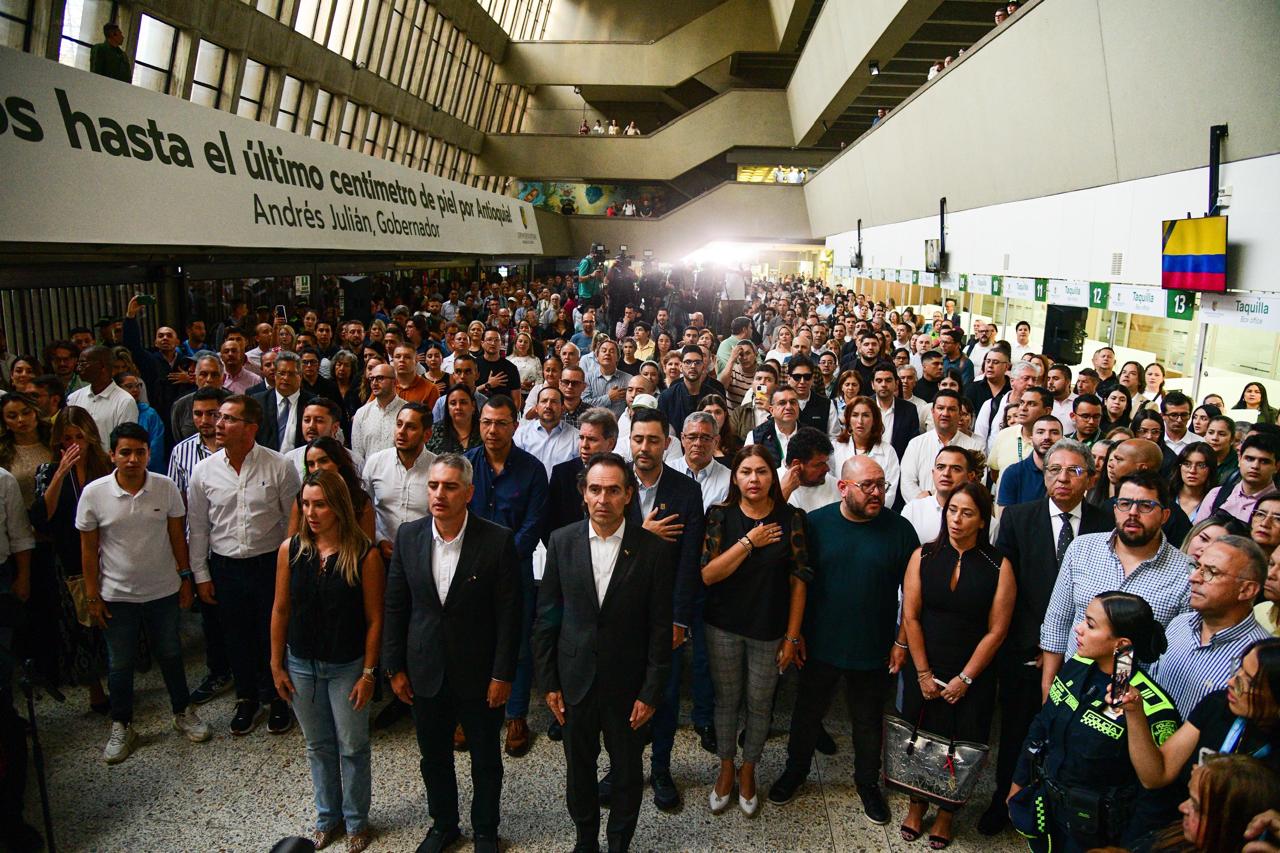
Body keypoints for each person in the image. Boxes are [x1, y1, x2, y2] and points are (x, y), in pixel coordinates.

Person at [532, 453, 672, 853]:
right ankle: (585, 841)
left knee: (627, 774)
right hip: (574, 682)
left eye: (613, 490)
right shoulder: (561, 542)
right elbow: (546, 619)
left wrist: (650, 691)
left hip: (628, 688)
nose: (603, 499)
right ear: (583, 493)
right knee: (579, 771)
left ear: (628, 494)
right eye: (595, 489)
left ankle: (618, 844)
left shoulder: (653, 550)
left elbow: (661, 630)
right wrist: (549, 684)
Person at [767, 455, 918, 822]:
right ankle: (795, 771)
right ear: (843, 487)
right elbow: (797, 583)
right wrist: (796, 632)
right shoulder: (816, 525)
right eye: (867, 485)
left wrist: (901, 642)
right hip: (820, 644)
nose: (876, 493)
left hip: (874, 647)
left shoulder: (899, 530)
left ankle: (867, 783)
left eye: (881, 485)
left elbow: (914, 594)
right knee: (807, 713)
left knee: (867, 721)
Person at [980, 438, 1114, 834]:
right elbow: (1006, 592)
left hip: (1086, 653)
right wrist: (1040, 646)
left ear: (1089, 478)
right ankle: (1003, 800)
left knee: (1074, 737)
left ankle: (1061, 810)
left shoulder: (1105, 524)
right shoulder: (1019, 518)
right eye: (1054, 469)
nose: (1062, 479)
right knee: (1019, 730)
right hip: (1026, 650)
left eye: (1074, 471)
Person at [77, 422, 209, 763]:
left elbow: (178, 536)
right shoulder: (94, 493)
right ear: (112, 455)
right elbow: (89, 550)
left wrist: (185, 578)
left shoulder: (164, 488)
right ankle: (122, 724)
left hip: (162, 590)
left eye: (140, 452)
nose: (133, 459)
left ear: (149, 453)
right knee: (119, 663)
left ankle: (183, 711)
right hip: (117, 594)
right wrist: (92, 595)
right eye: (125, 452)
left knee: (170, 653)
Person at [1010, 592, 1180, 851]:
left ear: (1120, 644)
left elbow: (1155, 794)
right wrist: (1019, 782)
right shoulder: (1076, 665)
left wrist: (1128, 847)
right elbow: (1041, 726)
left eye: (1090, 625)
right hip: (1049, 809)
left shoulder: (1152, 707)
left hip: (1098, 831)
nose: (1078, 629)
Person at [269, 470, 382, 853]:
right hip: (301, 662)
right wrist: (276, 663)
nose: (311, 512)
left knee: (352, 746)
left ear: (337, 507)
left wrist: (368, 673)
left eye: (320, 504)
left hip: (346, 664)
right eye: (306, 504)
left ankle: (355, 821)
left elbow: (374, 619)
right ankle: (326, 818)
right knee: (318, 746)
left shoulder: (363, 554)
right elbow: (281, 609)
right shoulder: (291, 550)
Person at [899, 482, 1015, 848]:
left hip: (972, 671)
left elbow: (997, 631)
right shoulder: (923, 556)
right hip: (926, 663)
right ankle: (916, 805)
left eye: (967, 513)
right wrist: (922, 673)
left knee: (960, 743)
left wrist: (965, 678)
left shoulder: (999, 565)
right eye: (952, 510)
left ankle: (947, 813)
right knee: (918, 740)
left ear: (982, 520)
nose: (957, 520)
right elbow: (911, 615)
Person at [701, 445, 811, 817]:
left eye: (762, 471)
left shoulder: (792, 517)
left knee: (761, 704)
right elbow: (708, 574)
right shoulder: (719, 515)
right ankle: (726, 767)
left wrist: (792, 637)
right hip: (723, 626)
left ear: (772, 477)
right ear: (735, 477)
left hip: (769, 630)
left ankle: (749, 769)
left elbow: (799, 581)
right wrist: (749, 542)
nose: (754, 479)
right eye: (746, 471)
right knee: (726, 701)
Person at [186, 394, 301, 735]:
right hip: (225, 566)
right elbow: (198, 527)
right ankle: (247, 698)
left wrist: (289, 568)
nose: (218, 425)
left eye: (228, 419)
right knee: (235, 636)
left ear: (251, 427)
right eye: (219, 418)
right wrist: (201, 575)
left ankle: (279, 696)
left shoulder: (278, 465)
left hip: (268, 564)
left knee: (271, 633)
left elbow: (291, 521)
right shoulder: (203, 471)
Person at [1039, 471, 1192, 697]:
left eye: (1146, 506)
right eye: (1124, 503)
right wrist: (1048, 685)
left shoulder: (1186, 572)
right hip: (1073, 685)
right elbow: (1058, 619)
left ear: (1165, 515)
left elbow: (1178, 652)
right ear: (1114, 509)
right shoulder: (1082, 549)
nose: (1132, 513)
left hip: (1136, 699)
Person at [623, 408, 707, 810]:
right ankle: (623, 766)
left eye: (653, 440)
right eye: (638, 439)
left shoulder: (686, 491)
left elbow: (690, 561)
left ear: (666, 444)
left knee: (666, 695)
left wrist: (679, 619)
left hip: (663, 615)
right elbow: (597, 545)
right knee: (622, 694)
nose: (644, 447)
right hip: (620, 612)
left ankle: (660, 768)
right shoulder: (612, 484)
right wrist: (642, 534)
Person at [465, 397, 548, 758]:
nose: (492, 430)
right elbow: (456, 515)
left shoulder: (531, 469)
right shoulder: (466, 464)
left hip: (516, 567)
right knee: (471, 641)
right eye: (486, 422)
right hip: (468, 569)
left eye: (500, 423)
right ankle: (472, 713)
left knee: (516, 642)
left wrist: (501, 558)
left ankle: (515, 715)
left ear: (515, 425)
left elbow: (534, 523)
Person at [31, 406, 112, 712]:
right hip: (68, 556)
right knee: (78, 626)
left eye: (80, 436)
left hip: (106, 554)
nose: (75, 444)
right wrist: (61, 471)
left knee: (109, 619)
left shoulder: (104, 466)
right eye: (67, 438)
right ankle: (94, 687)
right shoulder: (48, 471)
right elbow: (42, 518)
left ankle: (117, 674)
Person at [1156, 535, 1271, 716]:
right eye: (1196, 567)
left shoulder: (1260, 657)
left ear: (1247, 590)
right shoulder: (1180, 624)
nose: (1193, 578)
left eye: (1211, 572)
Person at [363, 403, 435, 563]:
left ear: (427, 435)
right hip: (381, 555)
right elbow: (366, 510)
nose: (401, 432)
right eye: (399, 424)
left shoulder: (437, 468)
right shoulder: (375, 462)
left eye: (411, 427)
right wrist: (379, 539)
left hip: (423, 556)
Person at [900, 391, 986, 501]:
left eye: (951, 409)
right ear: (932, 411)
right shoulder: (916, 444)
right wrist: (924, 505)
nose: (945, 413)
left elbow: (977, 484)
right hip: (921, 512)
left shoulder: (974, 446)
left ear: (960, 414)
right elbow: (907, 482)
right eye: (940, 408)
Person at [287, 438, 376, 540]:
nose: (317, 468)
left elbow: (368, 546)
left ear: (338, 462)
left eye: (323, 461)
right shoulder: (302, 498)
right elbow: (291, 544)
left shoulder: (359, 500)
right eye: (311, 464)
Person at [829, 396, 901, 508]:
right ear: (848, 419)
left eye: (866, 415)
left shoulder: (888, 451)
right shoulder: (836, 448)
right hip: (841, 512)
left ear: (874, 420)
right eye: (855, 415)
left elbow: (889, 493)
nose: (860, 421)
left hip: (875, 514)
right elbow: (831, 486)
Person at [1196, 434, 1279, 524]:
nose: (1255, 466)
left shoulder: (1277, 506)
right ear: (1239, 460)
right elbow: (1196, 534)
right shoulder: (1216, 495)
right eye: (1250, 459)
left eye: (1264, 461)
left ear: (1277, 466)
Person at [66, 345, 138, 441]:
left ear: (102, 366)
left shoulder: (124, 401)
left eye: (83, 363)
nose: (78, 369)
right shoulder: (74, 398)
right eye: (78, 364)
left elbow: (126, 441)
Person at [997, 415, 1064, 507]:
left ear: (1063, 439)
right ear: (1031, 438)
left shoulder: (1070, 473)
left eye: (1054, 432)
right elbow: (1005, 518)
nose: (1047, 437)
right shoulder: (1013, 473)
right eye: (1040, 432)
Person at [253, 351, 312, 453]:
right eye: (281, 373)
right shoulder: (258, 402)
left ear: (300, 376)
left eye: (291, 374)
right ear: (275, 375)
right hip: (265, 462)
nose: (285, 378)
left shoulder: (311, 403)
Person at [514, 386, 578, 477]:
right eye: (544, 401)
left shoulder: (576, 437)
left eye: (554, 402)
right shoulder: (521, 435)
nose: (548, 406)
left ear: (563, 408)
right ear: (536, 407)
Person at [350, 363, 405, 465]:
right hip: (369, 478)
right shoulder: (361, 413)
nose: (374, 383)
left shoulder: (406, 412)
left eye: (380, 378)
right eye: (372, 379)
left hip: (399, 477)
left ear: (395, 382)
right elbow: (357, 456)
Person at [778, 426, 841, 512]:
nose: (827, 469)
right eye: (819, 464)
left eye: (826, 462)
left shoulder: (836, 487)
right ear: (796, 465)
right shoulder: (771, 484)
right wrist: (784, 493)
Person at [1172, 442, 1218, 521]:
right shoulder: (1166, 496)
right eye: (1187, 464)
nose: (1192, 470)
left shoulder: (1217, 502)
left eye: (1201, 465)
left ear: (1211, 469)